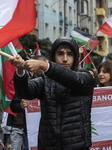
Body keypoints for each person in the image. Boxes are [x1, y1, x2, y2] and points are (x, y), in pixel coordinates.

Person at [9, 37, 95, 150]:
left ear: (75, 58)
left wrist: (44, 65)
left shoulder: (85, 76)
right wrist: (20, 71)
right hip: (48, 145)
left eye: (69, 54)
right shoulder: (46, 80)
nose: (65, 59)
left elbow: (73, 79)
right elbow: (24, 93)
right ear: (54, 56)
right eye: (60, 54)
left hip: (77, 146)